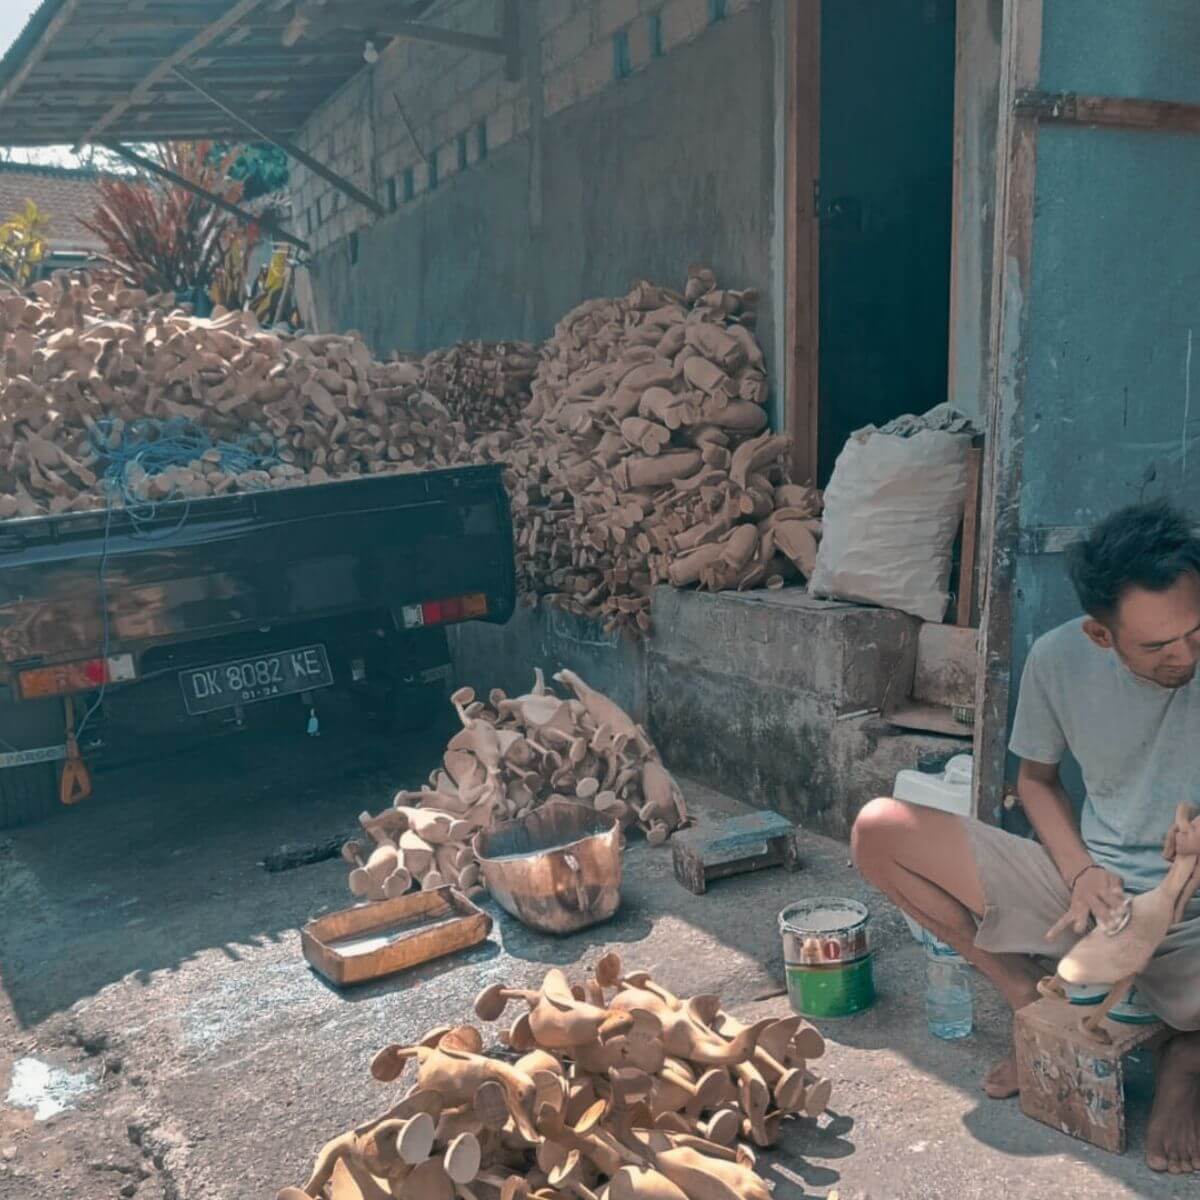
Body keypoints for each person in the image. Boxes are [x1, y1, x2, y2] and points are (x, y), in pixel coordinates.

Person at [851, 500, 1200, 1175]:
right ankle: (1032, 1009)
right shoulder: (1059, 658)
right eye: (1157, 646)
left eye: (1195, 632)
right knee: (880, 832)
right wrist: (1078, 872)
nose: (1184, 656)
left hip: (1194, 922)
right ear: (1102, 635)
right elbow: (1035, 781)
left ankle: (1185, 1055)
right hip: (1097, 902)